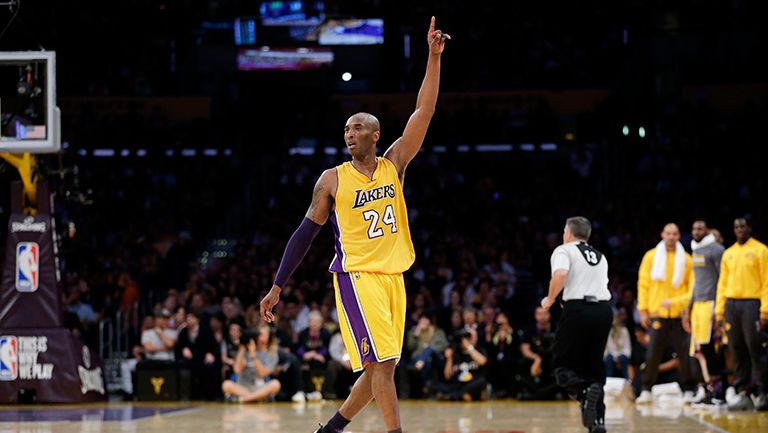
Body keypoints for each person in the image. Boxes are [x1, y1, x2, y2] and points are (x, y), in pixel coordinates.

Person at [259, 16, 450, 433]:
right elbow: (305, 233)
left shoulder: (395, 163)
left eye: (358, 126)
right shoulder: (331, 179)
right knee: (381, 364)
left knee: (381, 369)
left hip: (393, 277)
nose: (349, 133)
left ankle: (331, 429)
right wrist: (277, 285)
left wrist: (433, 58)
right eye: (346, 128)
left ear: (376, 134)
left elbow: (425, 109)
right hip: (357, 275)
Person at [541, 216, 612, 433]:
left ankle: (583, 392)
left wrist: (550, 299)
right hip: (603, 311)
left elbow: (561, 274)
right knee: (594, 369)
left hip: (578, 310)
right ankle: (597, 423)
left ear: (568, 232)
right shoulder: (600, 256)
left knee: (563, 367)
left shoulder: (564, 250)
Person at [635, 223, 694, 404]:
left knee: (683, 352)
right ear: (662, 234)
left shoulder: (686, 259)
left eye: (675, 234)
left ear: (678, 236)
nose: (671, 237)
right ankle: (646, 388)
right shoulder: (651, 256)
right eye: (668, 233)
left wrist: (679, 304)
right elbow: (643, 285)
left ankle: (688, 388)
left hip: (679, 314)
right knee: (653, 352)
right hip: (656, 312)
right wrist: (643, 311)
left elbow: (692, 288)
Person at [715, 217, 768, 411]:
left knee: (755, 346)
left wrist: (765, 311)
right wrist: (719, 312)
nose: (739, 229)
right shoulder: (728, 253)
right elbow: (722, 284)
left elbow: (766, 282)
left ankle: (763, 390)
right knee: (736, 347)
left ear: (749, 228)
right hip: (732, 305)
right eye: (736, 226)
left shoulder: (761, 250)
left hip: (752, 303)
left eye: (743, 226)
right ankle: (743, 390)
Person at [684, 220, 726, 404]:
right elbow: (696, 280)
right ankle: (708, 389)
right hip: (698, 306)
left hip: (712, 304)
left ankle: (720, 390)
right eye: (694, 228)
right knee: (701, 350)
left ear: (707, 230)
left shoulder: (716, 250)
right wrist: (689, 305)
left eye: (701, 228)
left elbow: (723, 279)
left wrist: (718, 308)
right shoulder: (696, 250)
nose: (697, 231)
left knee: (713, 348)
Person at [221, 327, 281, 402]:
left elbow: (262, 374)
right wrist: (242, 349)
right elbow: (237, 370)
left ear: (269, 337)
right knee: (226, 384)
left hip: (259, 388)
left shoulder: (271, 354)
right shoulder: (246, 350)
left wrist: (253, 356)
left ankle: (246, 399)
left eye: (262, 334)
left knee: (276, 384)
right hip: (242, 387)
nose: (259, 336)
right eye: (258, 334)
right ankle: (258, 398)